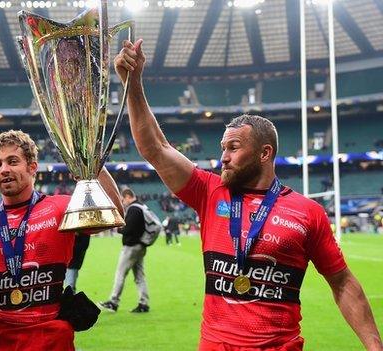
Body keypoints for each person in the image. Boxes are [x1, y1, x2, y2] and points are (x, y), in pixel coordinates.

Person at [115, 39, 383, 350]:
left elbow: (343, 283)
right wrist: (132, 83)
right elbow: (155, 148)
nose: (223, 157)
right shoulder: (209, 191)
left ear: (264, 153)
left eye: (233, 148)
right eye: (222, 149)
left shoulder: (307, 212)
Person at [0, 130, 124, 350]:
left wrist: (92, 167)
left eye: (13, 161)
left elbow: (115, 215)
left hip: (49, 338)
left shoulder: (60, 208)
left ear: (32, 167)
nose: (4, 169)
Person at [99, 188, 150, 313]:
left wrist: (119, 229)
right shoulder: (142, 207)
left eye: (123, 199)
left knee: (120, 274)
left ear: (127, 196)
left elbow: (128, 229)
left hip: (131, 247)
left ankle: (113, 302)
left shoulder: (133, 209)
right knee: (139, 276)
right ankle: (144, 303)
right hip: (141, 245)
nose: (123, 202)